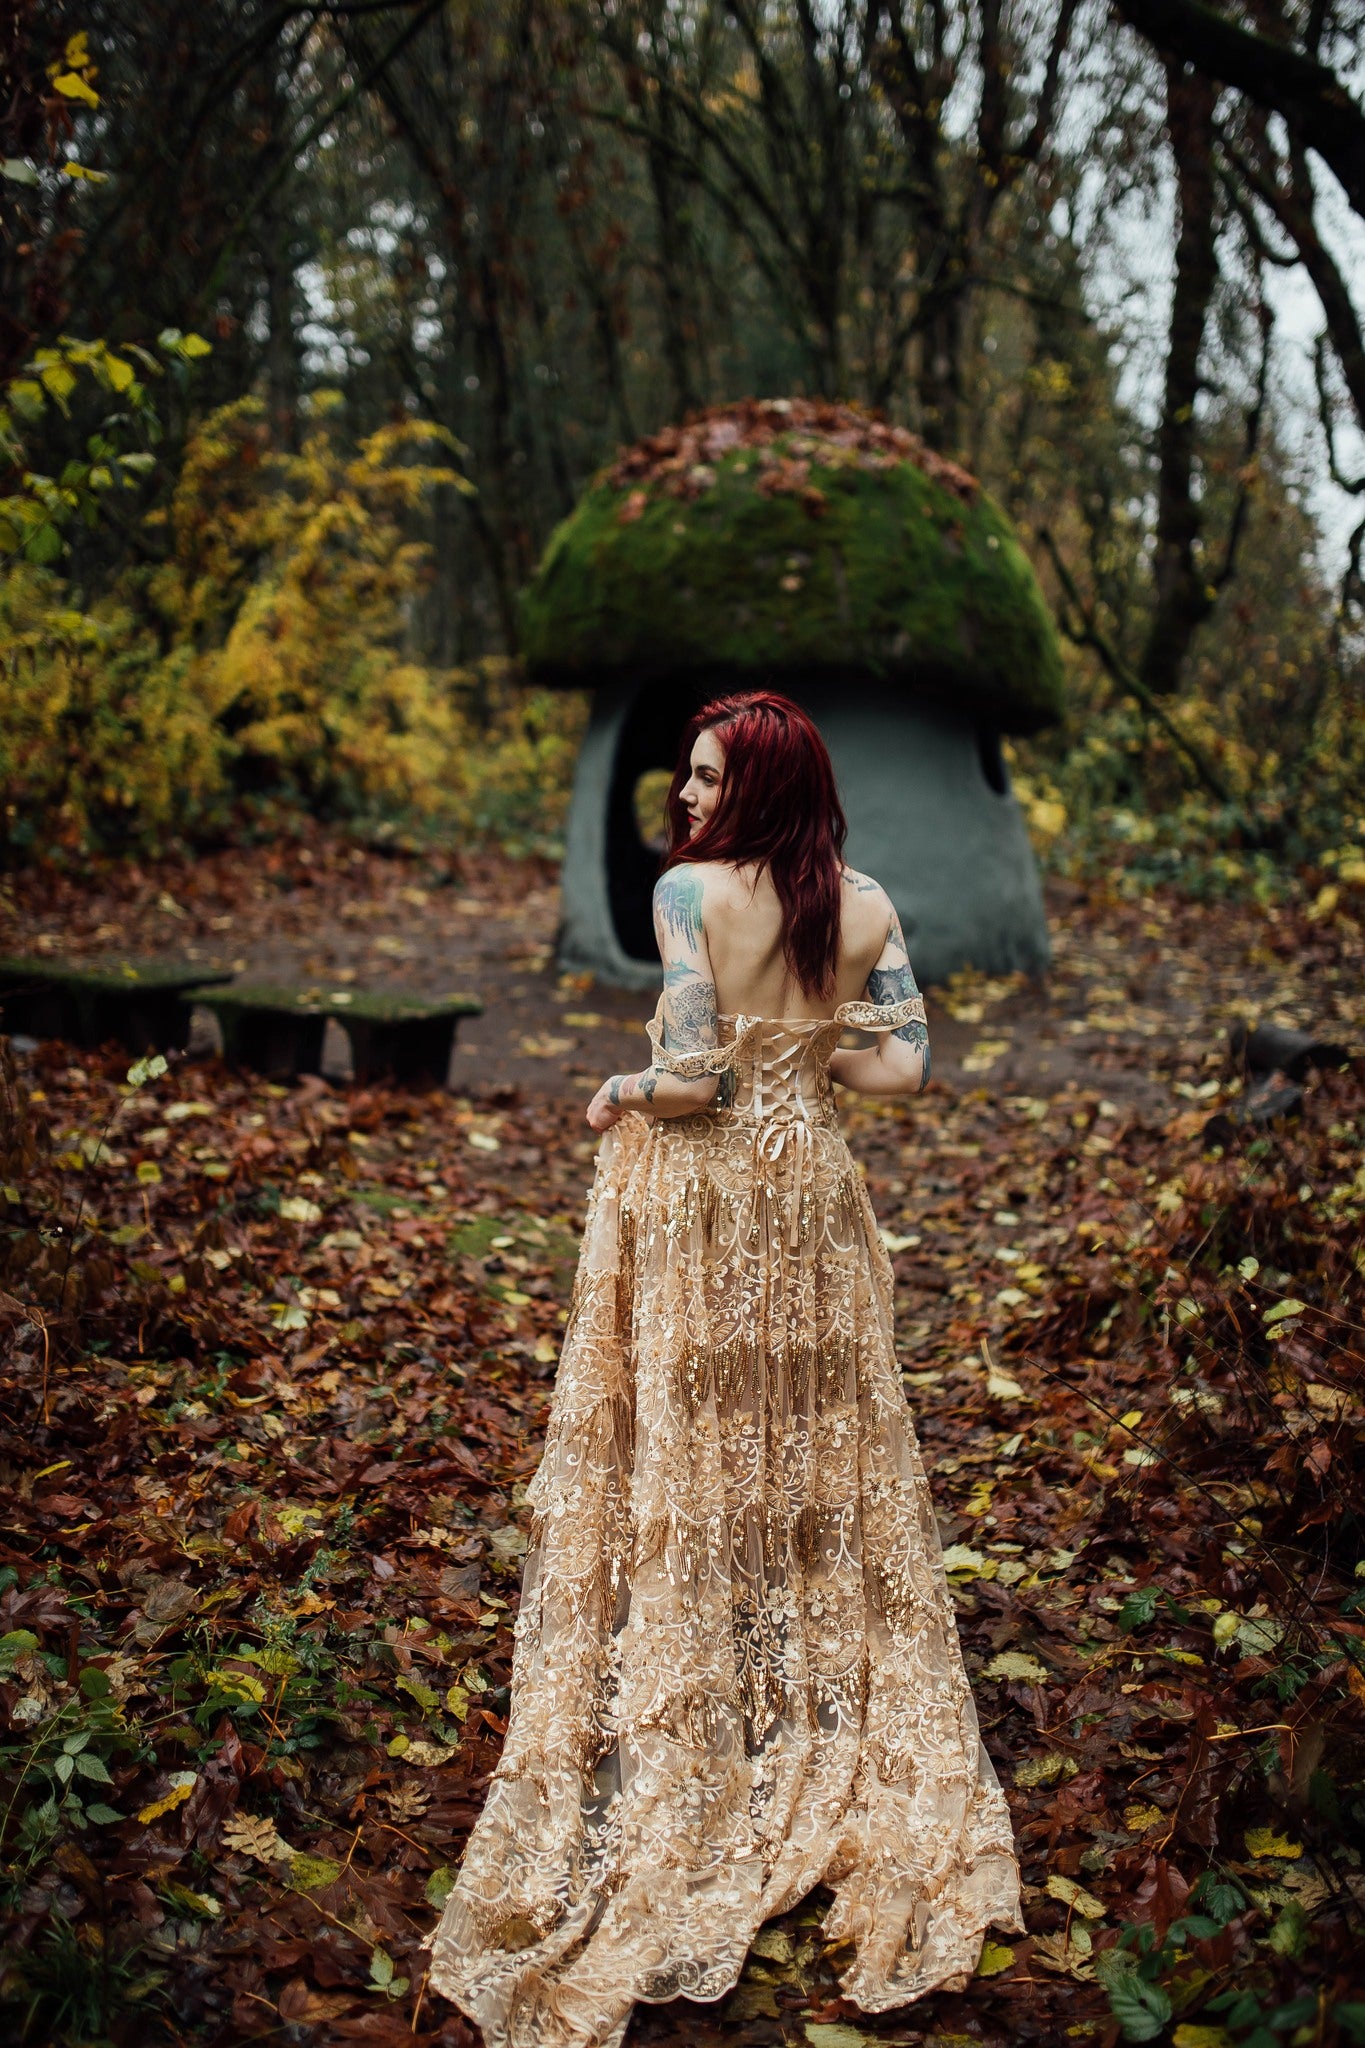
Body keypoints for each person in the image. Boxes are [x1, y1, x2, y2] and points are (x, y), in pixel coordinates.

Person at [426, 691, 1022, 2046]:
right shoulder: (861, 904)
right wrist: (813, 1036)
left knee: (694, 1436)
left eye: (703, 778)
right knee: (803, 1446)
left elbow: (690, 1073)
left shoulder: (690, 897)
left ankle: (712, 1702)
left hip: (697, 1197)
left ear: (757, 786)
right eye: (685, 779)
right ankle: (784, 1683)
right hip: (807, 1196)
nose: (684, 801)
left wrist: (615, 1092)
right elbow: (902, 1073)